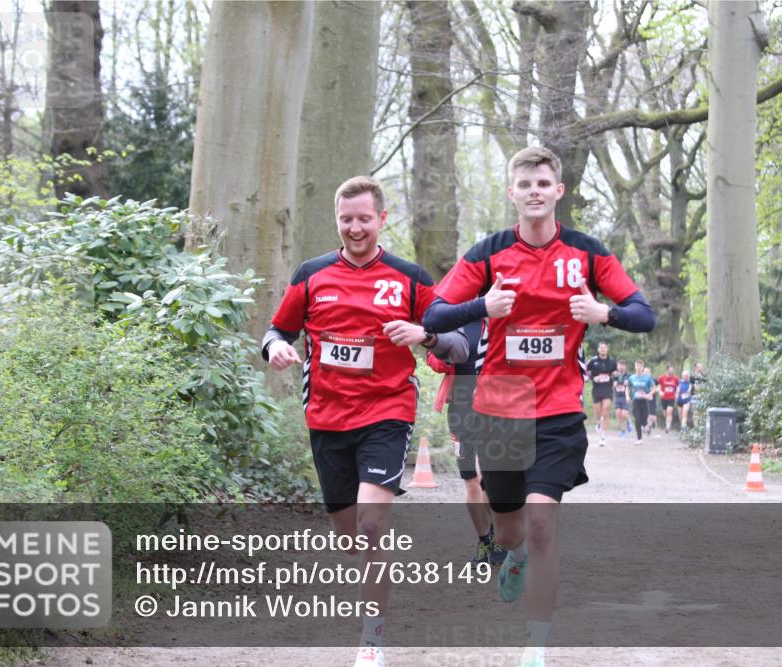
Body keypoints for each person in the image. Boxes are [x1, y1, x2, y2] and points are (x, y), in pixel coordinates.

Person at [422, 146, 655, 667]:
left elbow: (645, 314)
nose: (534, 191)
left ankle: (537, 643)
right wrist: (483, 305)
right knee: (509, 530)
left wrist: (604, 312)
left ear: (558, 191)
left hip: (557, 410)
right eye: (525, 183)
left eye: (543, 183)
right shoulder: (488, 254)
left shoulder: (587, 254)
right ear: (513, 192)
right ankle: (515, 555)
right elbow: (434, 313)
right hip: (500, 409)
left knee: (544, 522)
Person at [262, 176, 468, 667]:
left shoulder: (410, 278)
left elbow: (458, 343)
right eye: (346, 219)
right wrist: (275, 347)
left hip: (386, 413)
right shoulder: (312, 274)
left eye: (364, 218)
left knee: (373, 527)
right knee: (351, 538)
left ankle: (372, 639)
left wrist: (423, 334)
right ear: (337, 221)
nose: (355, 228)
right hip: (327, 417)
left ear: (382, 219)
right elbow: (277, 328)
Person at [426, 319, 508, 567]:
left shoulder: (503, 320)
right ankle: (484, 540)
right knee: (471, 481)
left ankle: (499, 537)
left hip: (495, 407)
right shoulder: (459, 321)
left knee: (490, 478)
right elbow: (433, 358)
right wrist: (446, 357)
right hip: (461, 408)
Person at [585, 341, 616, 446]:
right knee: (598, 412)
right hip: (597, 389)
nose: (603, 349)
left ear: (607, 349)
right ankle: (598, 423)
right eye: (601, 348)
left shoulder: (612, 361)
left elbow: (615, 374)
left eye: (605, 348)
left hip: (607, 389)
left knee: (606, 410)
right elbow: (585, 371)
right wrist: (593, 378)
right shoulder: (593, 361)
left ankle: (603, 435)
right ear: (598, 350)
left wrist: (615, 376)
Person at [626, 359, 654, 444]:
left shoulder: (647, 378)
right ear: (635, 367)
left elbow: (654, 387)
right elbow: (627, 387)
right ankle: (639, 438)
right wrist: (627, 396)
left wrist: (649, 394)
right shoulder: (632, 377)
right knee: (637, 419)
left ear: (642, 367)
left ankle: (647, 425)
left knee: (644, 419)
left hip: (644, 401)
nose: (638, 367)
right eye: (637, 365)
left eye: (640, 366)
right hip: (636, 401)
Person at [658, 365, 680, 433]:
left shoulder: (675, 378)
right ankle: (667, 422)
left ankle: (668, 427)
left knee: (669, 412)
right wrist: (660, 391)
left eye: (672, 370)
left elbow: (678, 386)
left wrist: (677, 393)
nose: (671, 371)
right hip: (664, 397)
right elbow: (658, 385)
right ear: (667, 370)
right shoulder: (662, 378)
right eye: (670, 370)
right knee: (665, 413)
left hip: (671, 397)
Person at [612, 360, 630, 436]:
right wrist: (613, 385)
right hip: (617, 396)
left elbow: (630, 385)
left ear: (625, 366)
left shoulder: (628, 375)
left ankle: (629, 422)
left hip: (625, 397)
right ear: (617, 366)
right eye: (619, 365)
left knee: (624, 414)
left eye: (622, 365)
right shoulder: (614, 375)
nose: (621, 367)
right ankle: (623, 430)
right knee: (618, 414)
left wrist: (628, 383)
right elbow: (611, 385)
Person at [689, 362, 706, 429]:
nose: (700, 368)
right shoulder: (692, 376)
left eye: (701, 367)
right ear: (695, 368)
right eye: (699, 367)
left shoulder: (704, 376)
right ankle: (696, 427)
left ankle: (701, 427)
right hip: (695, 396)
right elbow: (690, 385)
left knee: (702, 412)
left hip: (703, 396)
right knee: (695, 412)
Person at [645, 365, 659, 435]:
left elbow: (659, 386)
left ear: (650, 373)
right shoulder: (642, 380)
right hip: (645, 399)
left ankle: (652, 423)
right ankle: (648, 426)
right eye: (645, 372)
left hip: (652, 400)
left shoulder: (654, 380)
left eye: (647, 372)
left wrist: (656, 390)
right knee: (647, 414)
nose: (646, 373)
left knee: (653, 417)